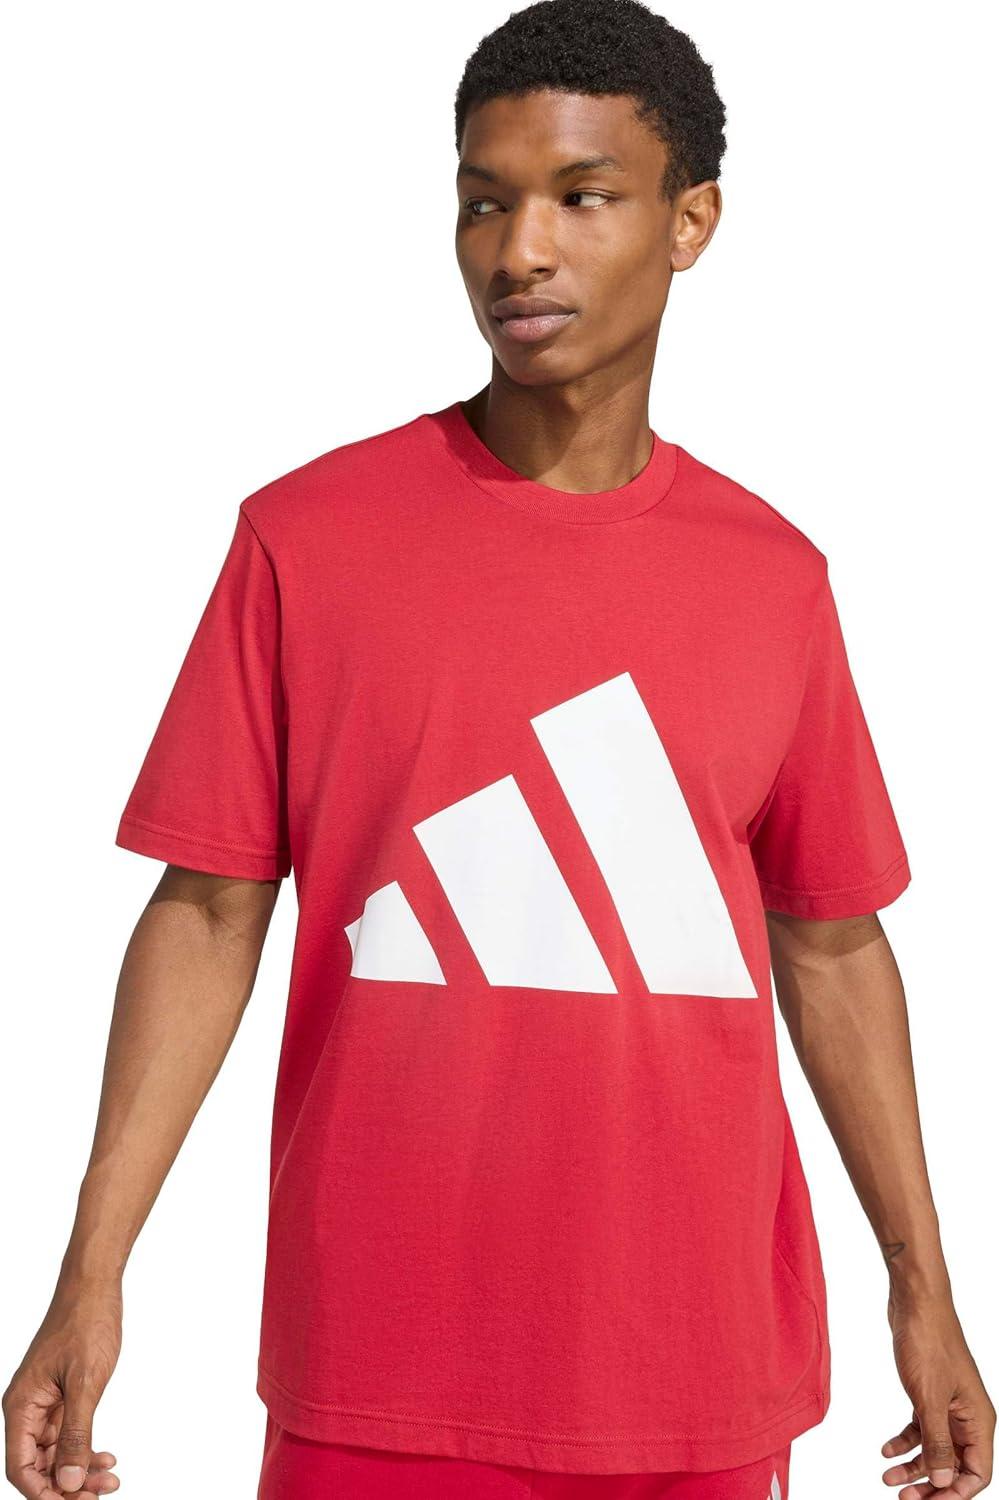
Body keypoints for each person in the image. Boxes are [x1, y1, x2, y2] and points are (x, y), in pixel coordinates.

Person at [4, 0, 994, 1496]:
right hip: (376, 1370)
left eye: (583, 197)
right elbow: (205, 915)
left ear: (691, 221)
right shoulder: (306, 540)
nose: (519, 250)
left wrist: (926, 1289)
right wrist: (90, 1275)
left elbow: (834, 941)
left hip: (696, 1375)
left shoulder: (774, 578)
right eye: (484, 201)